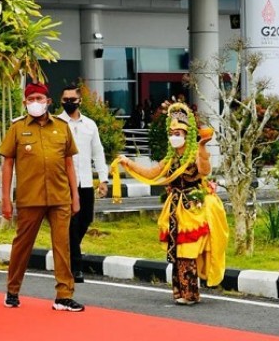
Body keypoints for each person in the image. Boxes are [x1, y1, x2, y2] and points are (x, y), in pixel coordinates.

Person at [118, 102, 226, 305]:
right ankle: (180, 292)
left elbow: (204, 171)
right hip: (175, 208)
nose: (174, 136)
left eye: (178, 132)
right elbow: (151, 173)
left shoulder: (194, 154)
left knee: (188, 251)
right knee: (177, 252)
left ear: (186, 135)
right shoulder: (169, 159)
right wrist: (128, 162)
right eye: (171, 132)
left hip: (193, 209)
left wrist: (202, 145)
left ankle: (191, 293)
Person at [0, 82, 84, 312]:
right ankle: (12, 290)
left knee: (63, 246)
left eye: (40, 98)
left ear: (48, 101)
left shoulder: (62, 127)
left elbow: (69, 163)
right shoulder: (17, 128)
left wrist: (75, 196)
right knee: (22, 246)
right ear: (25, 103)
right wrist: (5, 199)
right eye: (31, 99)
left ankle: (64, 295)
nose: (35, 102)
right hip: (30, 197)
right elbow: (7, 165)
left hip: (60, 197)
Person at [57, 85, 109, 283]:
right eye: (66, 98)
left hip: (85, 182)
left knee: (86, 219)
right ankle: (75, 267)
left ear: (79, 101)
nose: (69, 102)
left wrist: (103, 179)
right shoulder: (56, 123)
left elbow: (98, 152)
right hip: (63, 183)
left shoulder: (90, 125)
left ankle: (66, 254)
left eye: (73, 99)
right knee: (72, 224)